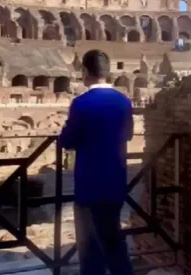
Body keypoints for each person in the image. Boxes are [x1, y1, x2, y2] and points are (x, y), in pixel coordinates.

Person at [59, 49, 134, 275]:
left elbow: (68, 140)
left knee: (95, 244)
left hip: (89, 184)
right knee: (109, 237)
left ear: (85, 72)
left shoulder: (81, 104)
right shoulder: (123, 101)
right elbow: (129, 134)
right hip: (116, 180)